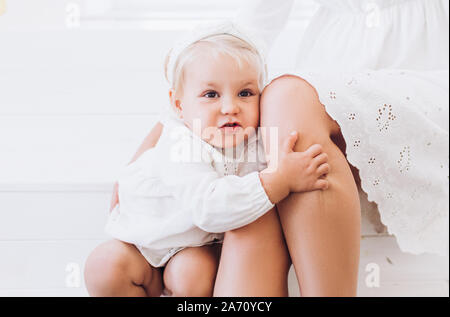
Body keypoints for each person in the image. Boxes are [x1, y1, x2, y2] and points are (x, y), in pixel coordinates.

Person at [84, 22, 331, 297]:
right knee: (103, 267)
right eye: (211, 95)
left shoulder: (257, 139)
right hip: (143, 243)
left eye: (245, 93)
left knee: (192, 276)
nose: (230, 107)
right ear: (179, 106)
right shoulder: (179, 144)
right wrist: (279, 181)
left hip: (193, 248)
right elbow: (209, 207)